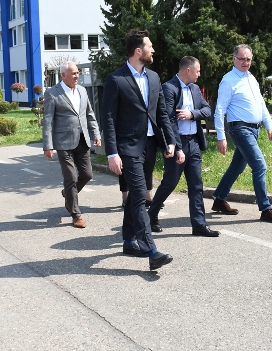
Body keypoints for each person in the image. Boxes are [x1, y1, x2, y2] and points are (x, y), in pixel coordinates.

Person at [101, 29, 177, 270]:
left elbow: (161, 112)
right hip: (128, 148)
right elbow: (108, 118)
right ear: (138, 51)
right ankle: (151, 251)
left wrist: (170, 140)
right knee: (140, 196)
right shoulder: (116, 79)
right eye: (149, 46)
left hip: (150, 145)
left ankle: (128, 240)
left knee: (136, 195)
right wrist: (112, 153)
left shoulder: (153, 78)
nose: (153, 50)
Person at [212, 44, 272, 223]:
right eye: (242, 59)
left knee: (237, 167)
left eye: (248, 59)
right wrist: (221, 137)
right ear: (234, 59)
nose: (245, 62)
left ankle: (219, 199)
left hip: (254, 129)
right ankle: (265, 209)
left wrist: (269, 126)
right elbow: (219, 110)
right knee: (260, 166)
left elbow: (261, 104)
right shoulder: (228, 80)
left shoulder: (251, 78)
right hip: (240, 129)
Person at [148, 56, 219, 237]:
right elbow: (168, 120)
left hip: (193, 142)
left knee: (196, 185)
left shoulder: (195, 89)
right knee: (170, 183)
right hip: (177, 143)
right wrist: (177, 147)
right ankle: (151, 215)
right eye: (198, 71)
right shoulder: (169, 88)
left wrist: (192, 114)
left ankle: (199, 224)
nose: (199, 74)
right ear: (188, 70)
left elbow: (207, 110)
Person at [42, 62, 102, 229]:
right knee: (71, 178)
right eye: (73, 73)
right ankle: (76, 214)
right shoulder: (52, 93)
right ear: (63, 75)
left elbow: (89, 114)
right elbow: (48, 121)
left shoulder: (82, 90)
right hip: (63, 142)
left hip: (82, 140)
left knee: (87, 174)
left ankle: (68, 193)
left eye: (78, 73)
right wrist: (48, 145)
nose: (77, 76)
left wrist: (96, 134)